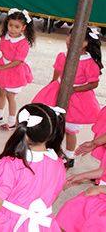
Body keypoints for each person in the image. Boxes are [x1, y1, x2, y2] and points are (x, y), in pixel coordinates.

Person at [0, 104, 66, 231]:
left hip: (8, 224)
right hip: (42, 225)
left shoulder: (10, 164)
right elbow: (54, 193)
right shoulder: (58, 163)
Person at [33, 28, 102, 169]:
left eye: (78, 39)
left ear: (87, 43)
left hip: (78, 96)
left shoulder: (89, 62)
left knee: (70, 129)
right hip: (58, 90)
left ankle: (70, 156)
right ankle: (51, 150)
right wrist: (52, 83)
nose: (71, 40)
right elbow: (57, 71)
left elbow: (94, 83)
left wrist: (74, 89)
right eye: (70, 36)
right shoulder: (62, 55)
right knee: (53, 124)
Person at [0, 9, 36, 131]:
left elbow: (18, 61)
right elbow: (4, 52)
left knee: (10, 96)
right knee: (2, 92)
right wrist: (1, 64)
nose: (12, 29)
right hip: (5, 65)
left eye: (17, 27)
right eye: (10, 25)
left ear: (23, 28)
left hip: (15, 70)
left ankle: (13, 121)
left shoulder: (23, 43)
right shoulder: (5, 37)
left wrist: (3, 67)